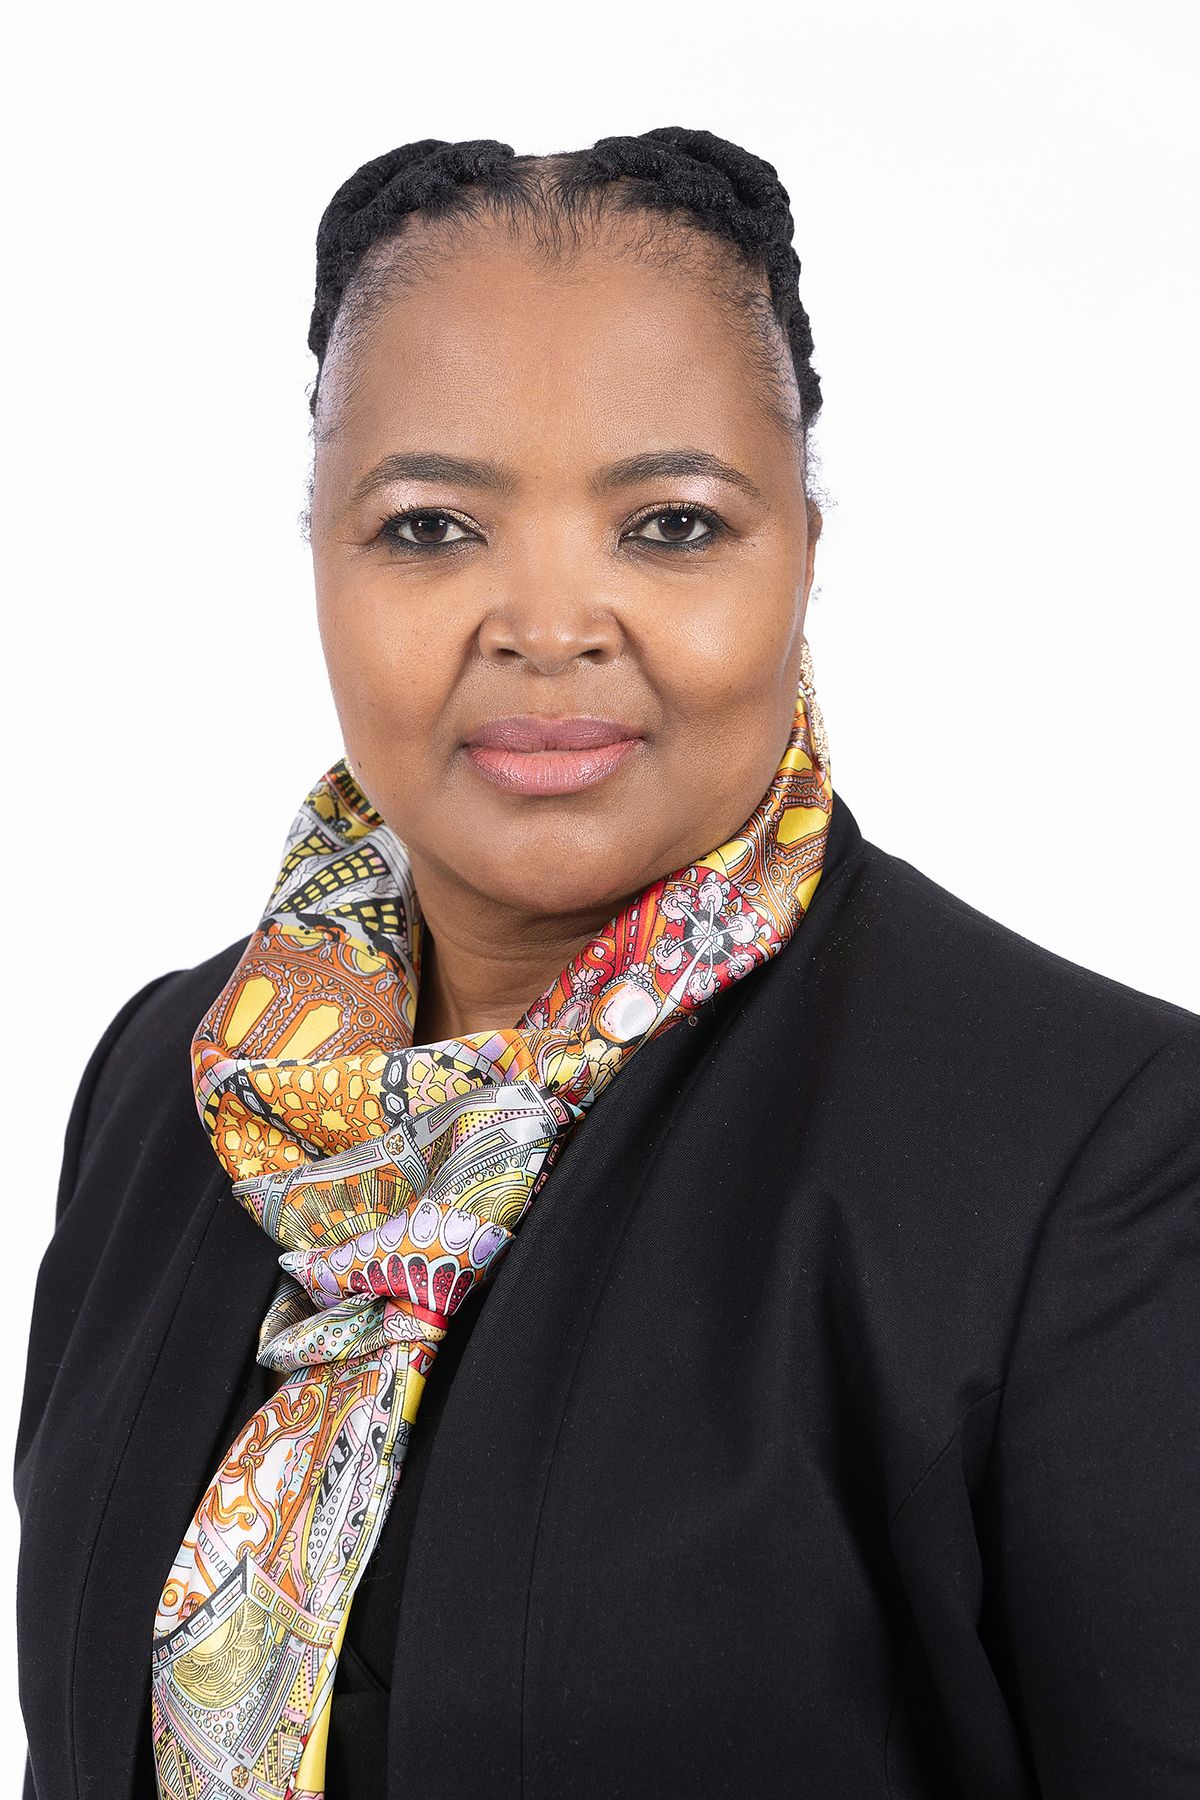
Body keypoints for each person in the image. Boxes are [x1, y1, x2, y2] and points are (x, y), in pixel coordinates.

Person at [14, 126, 1200, 1800]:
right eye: (430, 527)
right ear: (317, 549)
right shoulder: (175, 1083)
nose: (549, 622)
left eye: (671, 524)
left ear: (804, 544)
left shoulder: (1093, 1155)